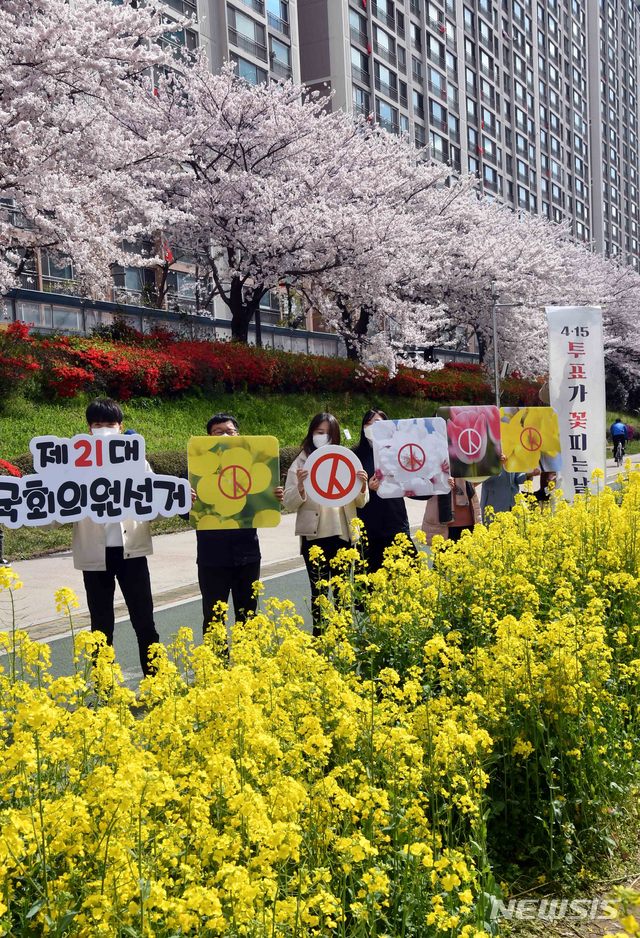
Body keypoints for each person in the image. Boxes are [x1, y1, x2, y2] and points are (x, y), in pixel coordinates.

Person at [75, 398, 159, 676]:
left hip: (131, 551)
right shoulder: (75, 465)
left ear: (121, 428)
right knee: (100, 625)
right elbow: (56, 511)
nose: (104, 430)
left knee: (144, 620)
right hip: (94, 556)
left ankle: (156, 679)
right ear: (89, 429)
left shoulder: (138, 461)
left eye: (110, 424)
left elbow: (154, 503)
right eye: (98, 425)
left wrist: (178, 501)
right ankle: (104, 686)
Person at [195, 413, 283, 637]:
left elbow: (263, 506)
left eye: (230, 431)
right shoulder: (198, 470)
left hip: (247, 554)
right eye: (218, 432)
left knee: (248, 616)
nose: (225, 435)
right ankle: (216, 668)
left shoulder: (253, 466)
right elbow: (190, 515)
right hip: (212, 558)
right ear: (208, 437)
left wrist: (273, 497)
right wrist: (188, 501)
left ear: (239, 435)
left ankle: (248, 665)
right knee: (214, 618)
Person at [283, 412, 368, 635]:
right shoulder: (302, 461)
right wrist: (301, 486)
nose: (323, 437)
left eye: (329, 434)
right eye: (319, 432)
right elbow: (289, 502)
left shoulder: (346, 459)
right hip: (314, 537)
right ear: (311, 433)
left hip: (344, 535)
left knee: (342, 590)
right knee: (319, 592)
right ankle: (320, 636)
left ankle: (342, 635)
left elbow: (362, 501)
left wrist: (361, 485)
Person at [353, 408, 418, 571]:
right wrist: (367, 487)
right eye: (368, 424)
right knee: (371, 580)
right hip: (369, 525)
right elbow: (349, 493)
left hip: (395, 521)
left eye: (378, 424)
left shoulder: (399, 452)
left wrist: (441, 483)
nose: (372, 428)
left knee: (407, 577)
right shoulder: (355, 456)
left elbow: (414, 484)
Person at [480, 455, 540, 523]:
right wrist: (497, 465)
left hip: (513, 504)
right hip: (494, 504)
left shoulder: (511, 451)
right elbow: (480, 477)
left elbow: (517, 478)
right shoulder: (486, 452)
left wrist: (529, 474)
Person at [422, 477, 481, 544]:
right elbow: (422, 483)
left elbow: (478, 478)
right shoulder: (433, 466)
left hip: (469, 518)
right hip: (444, 522)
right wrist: (441, 481)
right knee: (444, 552)